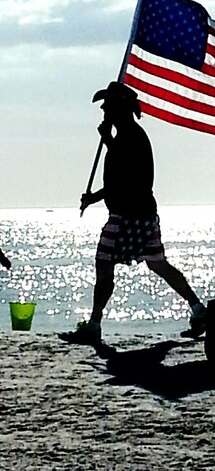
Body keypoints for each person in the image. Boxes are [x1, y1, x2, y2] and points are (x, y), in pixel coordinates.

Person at [60, 81, 206, 345]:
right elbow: (120, 178)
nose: (103, 110)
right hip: (142, 214)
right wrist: (95, 196)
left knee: (105, 265)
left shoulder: (130, 136)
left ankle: (94, 325)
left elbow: (125, 177)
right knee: (157, 263)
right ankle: (197, 308)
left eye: (107, 106)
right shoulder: (126, 135)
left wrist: (107, 143)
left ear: (119, 109)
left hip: (129, 216)